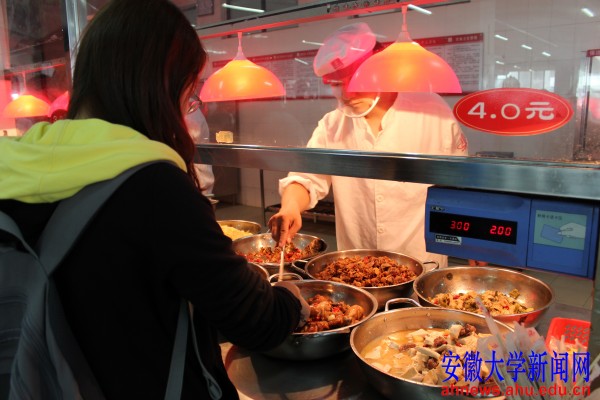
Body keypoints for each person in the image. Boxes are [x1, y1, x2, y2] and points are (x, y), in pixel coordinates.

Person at [0, 1, 309, 399]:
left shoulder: (20, 165)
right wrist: (292, 298)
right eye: (188, 94)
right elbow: (257, 321)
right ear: (159, 87)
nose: (187, 111)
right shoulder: (153, 185)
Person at [268, 23, 469, 268]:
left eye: (355, 82)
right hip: (357, 265)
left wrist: (472, 240)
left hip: (422, 260)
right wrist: (290, 208)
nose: (347, 95)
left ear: (380, 71)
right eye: (337, 84)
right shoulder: (332, 124)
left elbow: (459, 182)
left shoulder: (431, 111)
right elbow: (306, 177)